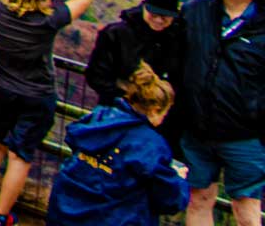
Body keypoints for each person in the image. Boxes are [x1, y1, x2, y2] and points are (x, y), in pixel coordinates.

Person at [0, 0, 94, 226]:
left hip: (4, 91)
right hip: (38, 96)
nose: (51, 1)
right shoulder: (47, 22)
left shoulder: (0, 14)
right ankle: (0, 216)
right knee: (20, 155)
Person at [176, 0, 264, 226]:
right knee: (199, 199)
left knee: (247, 209)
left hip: (246, 136)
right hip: (197, 130)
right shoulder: (195, 12)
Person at [45, 63, 190, 226]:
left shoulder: (99, 119)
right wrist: (178, 179)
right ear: (155, 109)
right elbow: (170, 199)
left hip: (64, 211)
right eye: (165, 113)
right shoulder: (150, 145)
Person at [86, 0, 183, 107]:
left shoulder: (178, 39)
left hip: (160, 115)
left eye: (165, 16)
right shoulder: (116, 34)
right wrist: (133, 94)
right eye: (153, 14)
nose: (159, 20)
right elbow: (96, 76)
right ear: (144, 7)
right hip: (117, 109)